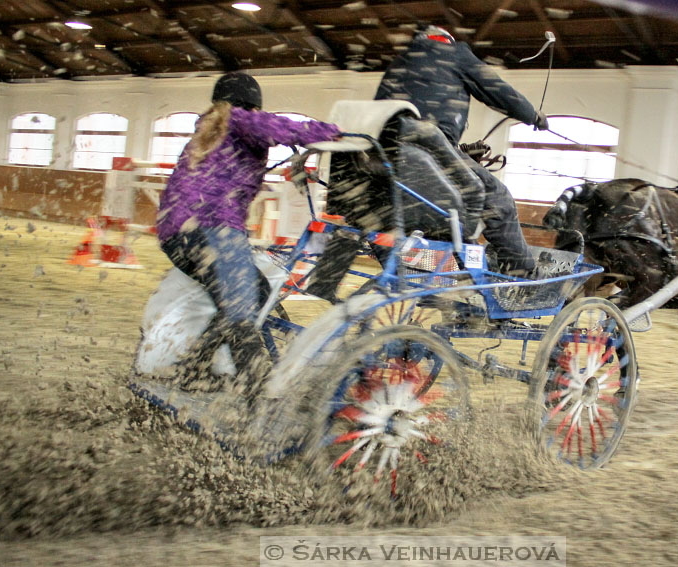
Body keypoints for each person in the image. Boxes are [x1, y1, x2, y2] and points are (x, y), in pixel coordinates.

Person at [156, 72, 339, 402]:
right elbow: (280, 128)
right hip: (213, 229)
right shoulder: (240, 120)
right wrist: (332, 133)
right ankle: (260, 389)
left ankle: (194, 370)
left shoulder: (209, 129)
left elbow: (217, 177)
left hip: (177, 234)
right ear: (252, 105)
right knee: (241, 309)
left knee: (254, 290)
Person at [374, 25, 550, 277]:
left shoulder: (400, 62)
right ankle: (523, 273)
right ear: (446, 40)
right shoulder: (453, 53)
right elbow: (497, 90)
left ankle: (425, 271)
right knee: (498, 199)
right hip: (428, 146)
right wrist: (532, 115)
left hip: (386, 152)